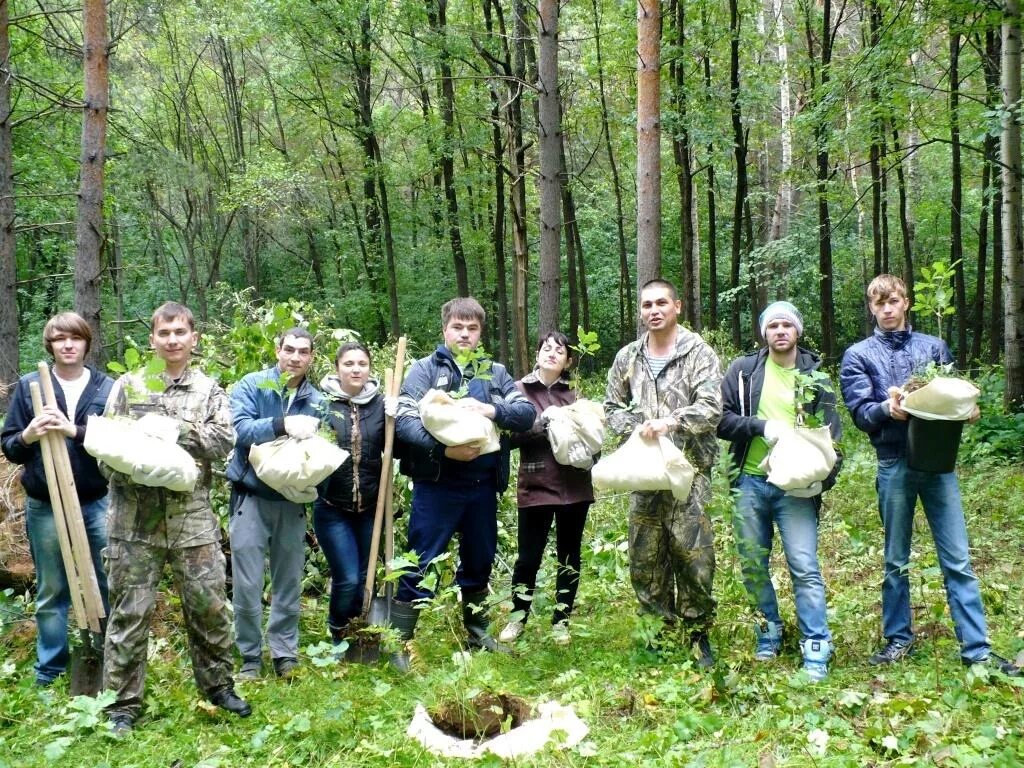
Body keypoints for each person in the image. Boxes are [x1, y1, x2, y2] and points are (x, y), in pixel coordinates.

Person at [839, 274, 1021, 676]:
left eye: (894, 301)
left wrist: (968, 411)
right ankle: (898, 640)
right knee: (895, 559)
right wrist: (888, 409)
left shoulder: (933, 347)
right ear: (871, 307)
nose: (887, 309)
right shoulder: (859, 355)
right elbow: (860, 414)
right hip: (894, 463)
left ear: (907, 303)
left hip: (939, 465)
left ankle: (976, 650)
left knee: (957, 559)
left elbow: (956, 396)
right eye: (879, 303)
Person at [103, 302, 250, 735]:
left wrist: (170, 427)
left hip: (192, 521)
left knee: (208, 608)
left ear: (193, 338)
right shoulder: (128, 386)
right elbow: (104, 449)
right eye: (163, 333)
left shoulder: (208, 389)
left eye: (180, 332)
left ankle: (219, 686)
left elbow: (223, 439)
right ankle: (122, 704)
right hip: (134, 522)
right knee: (130, 614)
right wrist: (133, 461)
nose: (172, 340)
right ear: (152, 339)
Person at [390, 297, 535, 669]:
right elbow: (405, 423)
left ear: (480, 333)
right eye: (458, 327)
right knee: (421, 560)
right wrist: (443, 452)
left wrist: (492, 409)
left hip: (482, 486)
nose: (465, 334)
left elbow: (524, 414)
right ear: (445, 330)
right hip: (437, 485)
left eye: (472, 329)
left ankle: (477, 631)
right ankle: (401, 642)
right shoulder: (423, 371)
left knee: (480, 559)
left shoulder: (496, 373)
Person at [718, 301, 840, 680]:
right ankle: (769, 631)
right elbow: (721, 420)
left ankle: (816, 645)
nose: (780, 331)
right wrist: (759, 426)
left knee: (804, 566)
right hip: (750, 483)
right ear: (763, 332)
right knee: (754, 564)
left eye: (787, 324)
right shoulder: (743, 372)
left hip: (796, 488)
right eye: (773, 325)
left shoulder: (815, 377)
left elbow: (833, 437)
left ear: (798, 331)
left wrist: (822, 480)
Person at [604, 278, 722, 667]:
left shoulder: (698, 353)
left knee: (693, 554)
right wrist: (634, 426)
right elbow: (611, 406)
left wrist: (670, 423)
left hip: (689, 471)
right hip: (643, 472)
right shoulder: (629, 357)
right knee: (645, 555)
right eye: (646, 305)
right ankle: (656, 631)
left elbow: (710, 408)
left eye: (660, 304)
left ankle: (697, 633)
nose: (653, 311)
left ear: (677, 307)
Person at [1, 312, 113, 687]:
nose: (68, 345)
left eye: (75, 338)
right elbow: (10, 447)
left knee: (106, 582)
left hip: (96, 502)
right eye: (60, 339)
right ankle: (50, 669)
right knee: (52, 589)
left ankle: (109, 659)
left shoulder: (106, 388)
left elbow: (118, 445)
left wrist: (75, 431)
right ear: (50, 345)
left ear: (86, 343)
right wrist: (29, 434)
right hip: (45, 504)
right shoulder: (32, 385)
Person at [225, 327, 322, 680]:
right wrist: (283, 424)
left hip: (291, 500)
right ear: (277, 349)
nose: (295, 357)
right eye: (290, 349)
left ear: (311, 357)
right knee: (248, 582)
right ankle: (250, 655)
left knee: (288, 580)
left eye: (304, 352)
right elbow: (241, 431)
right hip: (250, 497)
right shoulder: (252, 385)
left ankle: (284, 652)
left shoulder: (317, 399)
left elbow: (321, 446)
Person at [500, 331, 594, 646]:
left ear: (568, 360)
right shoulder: (517, 391)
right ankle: (517, 619)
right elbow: (507, 437)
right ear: (537, 354)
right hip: (535, 485)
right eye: (545, 348)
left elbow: (593, 439)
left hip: (574, 487)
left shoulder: (576, 395)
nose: (551, 353)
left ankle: (561, 621)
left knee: (570, 556)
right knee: (528, 558)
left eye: (559, 350)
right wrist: (543, 425)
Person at [314, 341, 391, 645]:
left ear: (369, 368)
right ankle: (336, 630)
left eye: (362, 363)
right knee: (346, 578)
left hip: (371, 506)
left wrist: (396, 420)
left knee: (364, 579)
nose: (356, 369)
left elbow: (396, 448)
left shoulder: (382, 404)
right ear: (337, 369)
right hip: (332, 506)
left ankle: (358, 633)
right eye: (349, 364)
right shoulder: (321, 404)